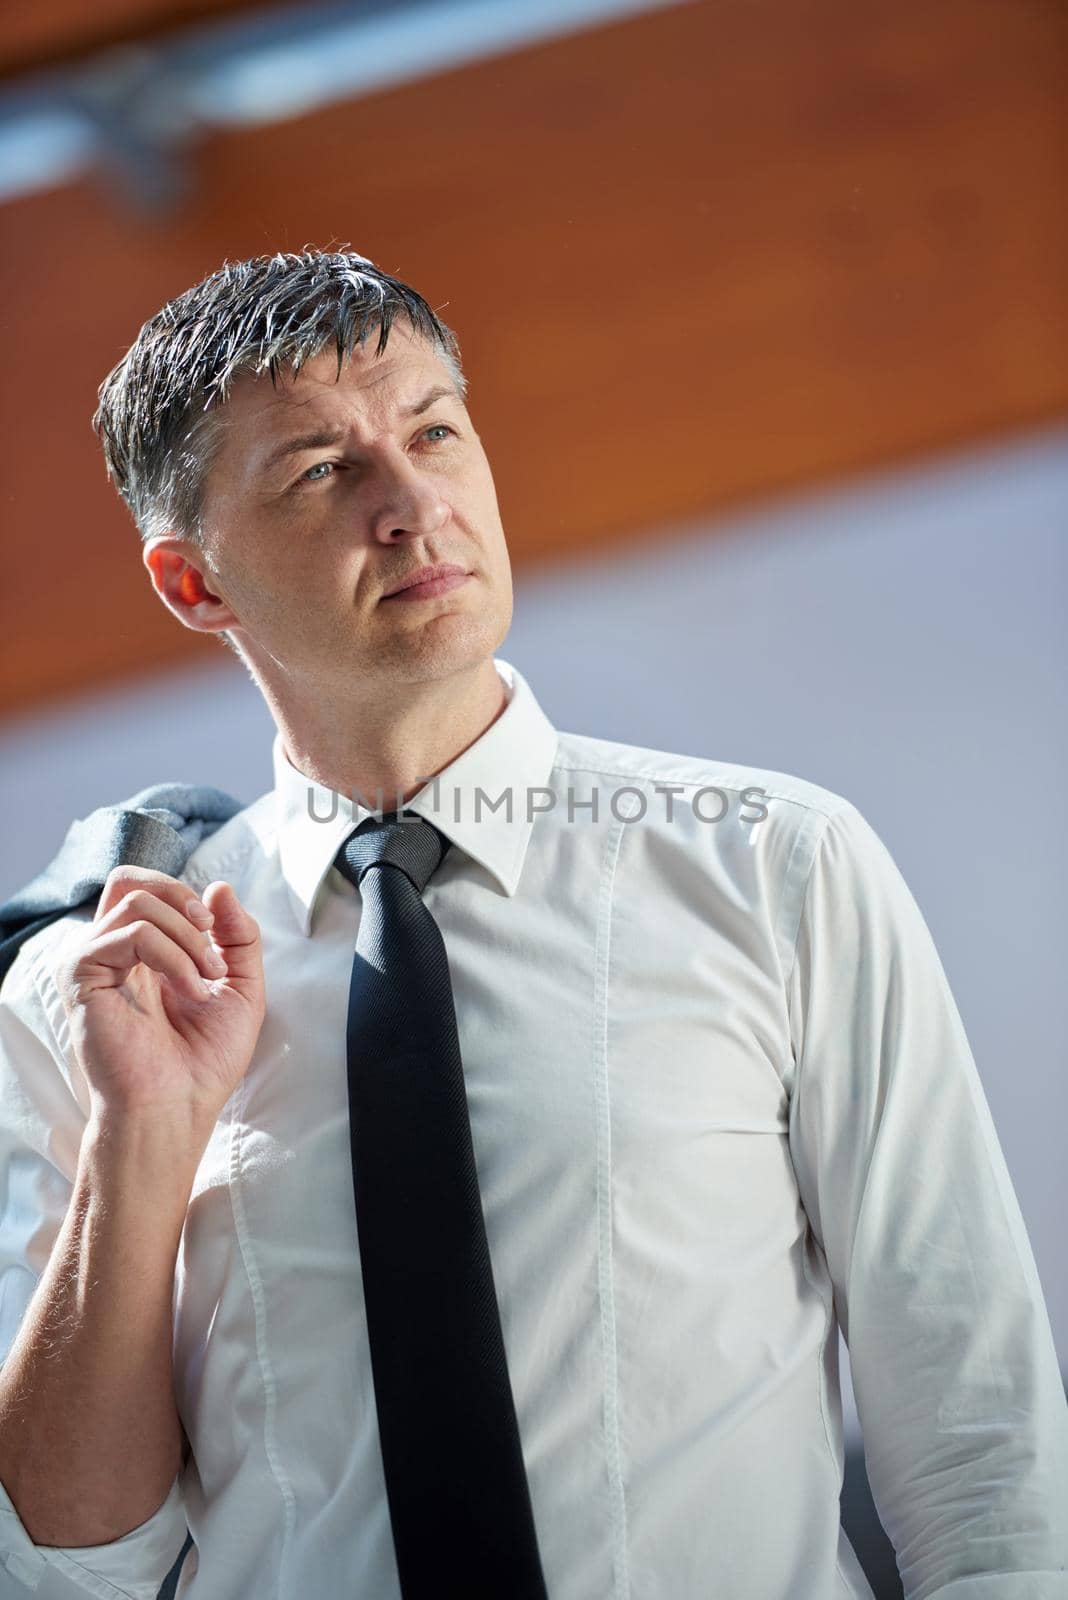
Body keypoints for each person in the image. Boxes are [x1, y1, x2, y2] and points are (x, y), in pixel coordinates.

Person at [0, 248, 1065, 1600]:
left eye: (435, 430)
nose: (415, 505)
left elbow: (984, 1451)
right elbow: (63, 1572)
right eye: (322, 470)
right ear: (192, 582)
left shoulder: (778, 871)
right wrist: (141, 1136)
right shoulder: (83, 1011)